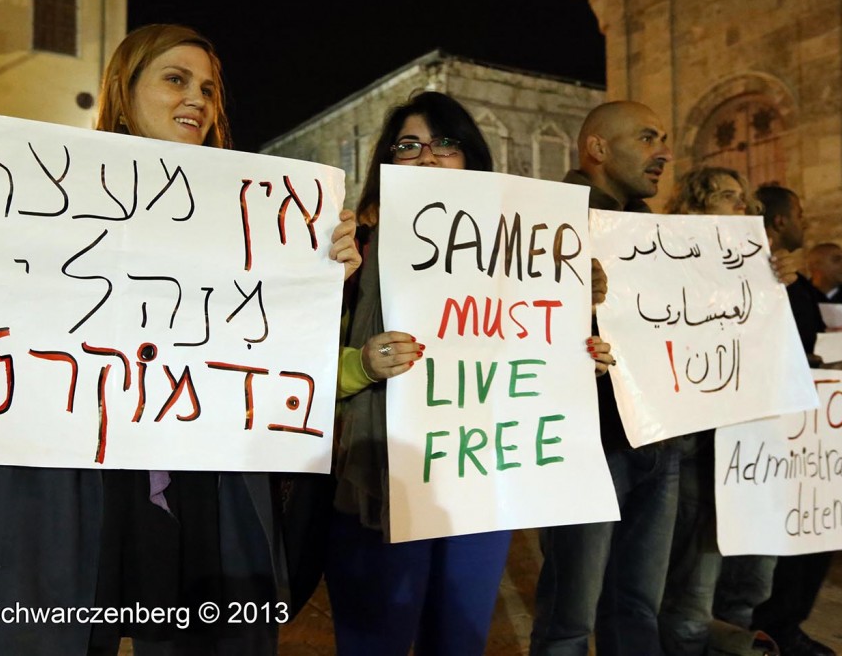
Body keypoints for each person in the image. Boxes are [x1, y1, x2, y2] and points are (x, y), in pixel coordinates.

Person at [0, 24, 360, 656]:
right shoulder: (46, 195)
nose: (197, 98)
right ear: (123, 88)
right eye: (175, 79)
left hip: (201, 483)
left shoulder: (253, 215)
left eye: (208, 87)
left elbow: (270, 344)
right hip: (70, 479)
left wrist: (319, 271)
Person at [327, 91, 612, 656]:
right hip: (378, 477)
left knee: (459, 640)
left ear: (472, 161)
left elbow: (537, 354)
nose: (427, 157)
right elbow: (295, 363)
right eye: (409, 145)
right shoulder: (348, 247)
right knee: (373, 641)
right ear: (386, 161)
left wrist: (587, 359)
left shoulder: (523, 253)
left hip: (481, 477)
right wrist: (360, 364)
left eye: (445, 144)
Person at [529, 100, 680, 656]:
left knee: (638, 605)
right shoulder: (543, 221)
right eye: (646, 138)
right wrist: (565, 293)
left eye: (661, 138)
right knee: (570, 615)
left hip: (658, 441)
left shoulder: (653, 231)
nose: (662, 153)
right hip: (587, 446)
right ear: (597, 148)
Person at [715, 184, 842, 656]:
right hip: (757, 436)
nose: (805, 221)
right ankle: (751, 634)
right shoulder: (744, 275)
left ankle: (782, 628)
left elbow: (803, 348)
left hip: (800, 435)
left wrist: (831, 367)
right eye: (799, 213)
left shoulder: (798, 286)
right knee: (753, 560)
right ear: (780, 222)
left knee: (807, 540)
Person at [658, 166, 780, 656]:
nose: (743, 207)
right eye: (728, 196)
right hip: (695, 449)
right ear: (693, 206)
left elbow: (771, 345)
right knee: (694, 584)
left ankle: (733, 643)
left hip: (748, 447)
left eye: (744, 198)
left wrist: (778, 285)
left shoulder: (756, 265)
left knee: (751, 579)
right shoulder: (667, 261)